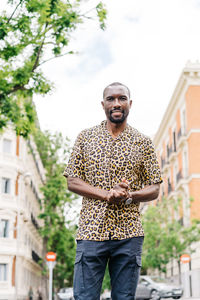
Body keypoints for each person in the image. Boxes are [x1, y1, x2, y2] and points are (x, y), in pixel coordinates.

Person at [63, 82, 163, 300]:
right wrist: (107, 194)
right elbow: (72, 180)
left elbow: (155, 187)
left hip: (129, 234)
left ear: (130, 103)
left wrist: (130, 195)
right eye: (111, 99)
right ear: (103, 104)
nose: (117, 103)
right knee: (84, 297)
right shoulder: (85, 137)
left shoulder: (143, 142)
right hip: (91, 230)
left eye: (122, 98)